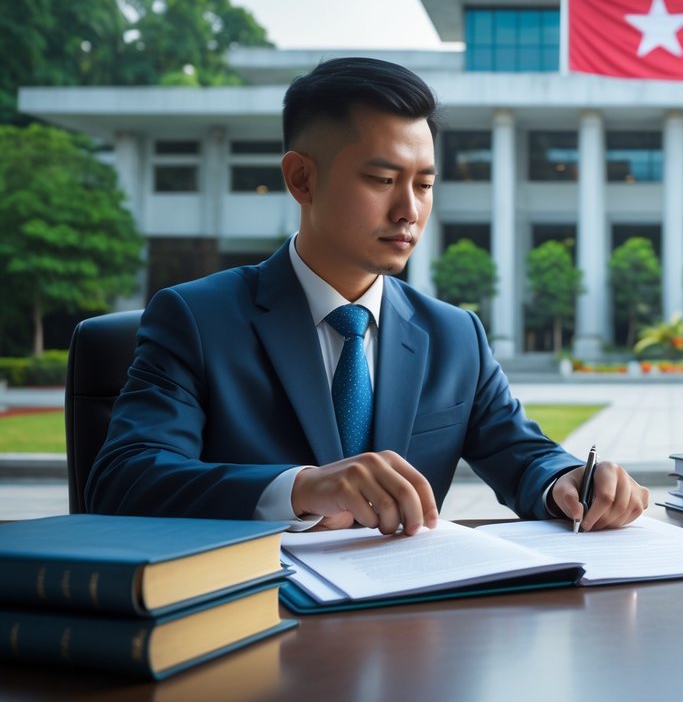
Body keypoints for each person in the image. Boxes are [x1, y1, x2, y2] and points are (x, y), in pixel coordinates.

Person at [88, 57, 648, 536]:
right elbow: (124, 479)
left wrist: (569, 480)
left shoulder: (455, 335)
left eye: (424, 184)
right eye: (382, 180)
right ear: (302, 180)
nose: (409, 209)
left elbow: (523, 455)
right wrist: (302, 488)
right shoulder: (197, 318)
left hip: (406, 633)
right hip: (253, 624)